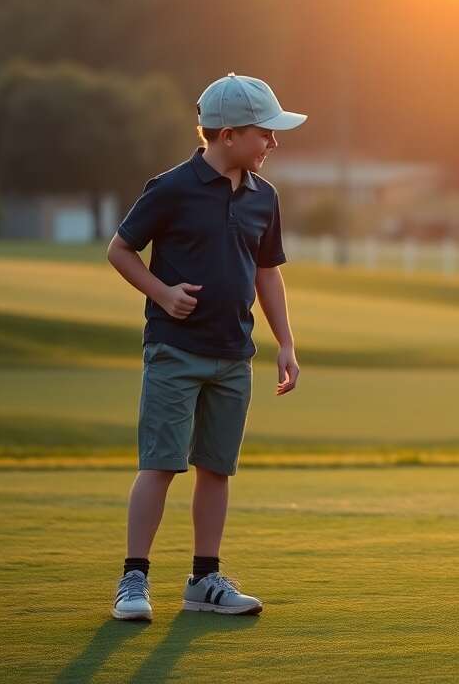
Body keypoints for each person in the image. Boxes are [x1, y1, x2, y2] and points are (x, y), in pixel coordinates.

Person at [107, 73, 304, 621]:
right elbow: (120, 250)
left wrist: (285, 342)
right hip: (175, 350)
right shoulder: (171, 188)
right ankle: (133, 580)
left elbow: (267, 273)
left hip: (233, 354)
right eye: (265, 133)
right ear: (228, 133)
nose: (273, 143)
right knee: (161, 464)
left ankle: (204, 579)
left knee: (216, 468)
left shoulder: (265, 197)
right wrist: (162, 293)